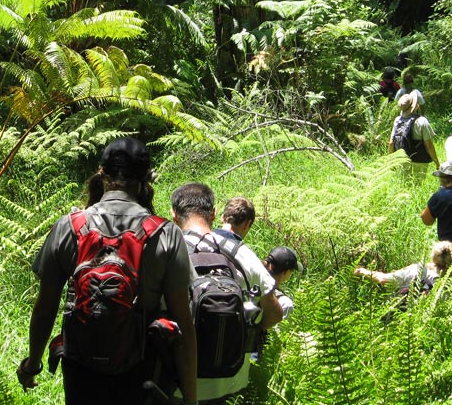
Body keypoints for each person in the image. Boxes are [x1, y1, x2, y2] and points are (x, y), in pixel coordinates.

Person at [18, 138, 198, 405]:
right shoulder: (165, 233)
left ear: (102, 173)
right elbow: (183, 323)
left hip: (81, 370)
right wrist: (191, 399)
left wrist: (33, 364)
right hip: (142, 372)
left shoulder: (68, 226)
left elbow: (45, 309)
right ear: (146, 178)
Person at [171, 184, 282, 404]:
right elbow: (275, 314)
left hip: (175, 380)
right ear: (213, 214)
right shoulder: (243, 255)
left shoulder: (168, 250)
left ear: (174, 216)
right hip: (229, 379)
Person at [354, 240, 452, 293]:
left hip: (400, 320)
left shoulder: (416, 269)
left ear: (433, 255)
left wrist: (362, 271)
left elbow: (384, 279)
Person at [389, 91, 439, 173]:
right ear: (415, 106)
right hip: (419, 160)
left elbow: (391, 143)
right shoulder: (422, 121)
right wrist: (437, 163)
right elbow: (429, 145)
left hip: (402, 160)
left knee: (404, 185)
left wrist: (391, 162)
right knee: (419, 185)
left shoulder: (397, 120)